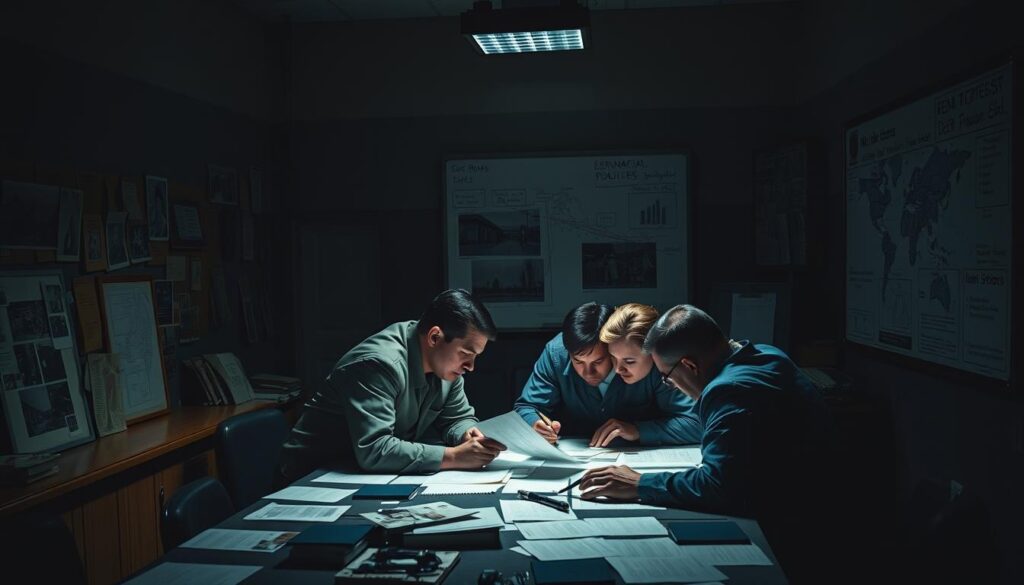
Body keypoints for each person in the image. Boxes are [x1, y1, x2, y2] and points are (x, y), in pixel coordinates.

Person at [578, 304, 835, 581]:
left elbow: (718, 486)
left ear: (689, 365)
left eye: (667, 378)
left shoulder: (726, 391)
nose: (671, 385)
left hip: (795, 528)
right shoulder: (767, 354)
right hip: (823, 500)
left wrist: (641, 483)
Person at [280, 289, 506, 480]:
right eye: (466, 354)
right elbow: (375, 449)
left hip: (365, 474)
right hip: (311, 478)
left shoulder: (447, 368)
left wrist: (467, 434)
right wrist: (454, 456)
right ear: (434, 337)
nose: (471, 366)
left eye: (475, 357)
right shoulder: (378, 364)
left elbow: (456, 418)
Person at [514, 302, 700, 448]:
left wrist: (638, 430)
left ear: (612, 343)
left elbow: (697, 423)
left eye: (598, 361)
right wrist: (535, 424)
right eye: (578, 361)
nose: (588, 373)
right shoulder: (556, 354)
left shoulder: (652, 360)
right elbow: (527, 407)